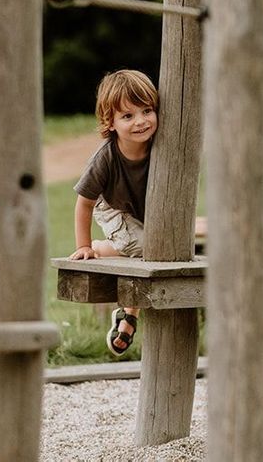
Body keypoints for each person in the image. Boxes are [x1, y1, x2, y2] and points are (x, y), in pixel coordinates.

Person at [69, 69, 158, 356]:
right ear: (111, 123)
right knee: (147, 246)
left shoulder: (163, 146)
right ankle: (103, 248)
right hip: (113, 207)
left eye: (147, 110)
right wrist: (84, 246)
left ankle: (129, 315)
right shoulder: (106, 157)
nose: (141, 121)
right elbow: (84, 203)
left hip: (145, 210)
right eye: (128, 116)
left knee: (160, 249)